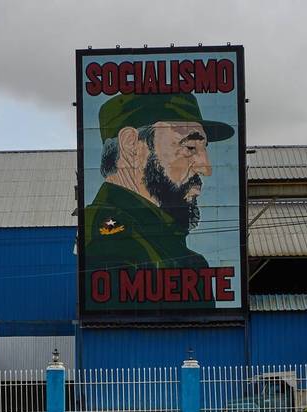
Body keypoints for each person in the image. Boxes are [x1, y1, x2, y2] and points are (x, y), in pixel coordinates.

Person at [82, 92, 234, 309]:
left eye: (203, 150)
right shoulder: (111, 244)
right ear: (131, 145)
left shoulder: (175, 251)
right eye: (190, 147)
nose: (206, 168)